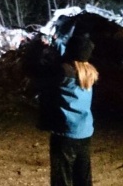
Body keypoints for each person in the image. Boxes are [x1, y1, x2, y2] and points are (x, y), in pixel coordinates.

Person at [38, 34, 99, 186]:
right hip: (84, 131)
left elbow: (42, 73)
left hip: (65, 132)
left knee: (62, 177)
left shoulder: (63, 71)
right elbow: (73, 53)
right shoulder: (89, 71)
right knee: (82, 175)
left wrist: (43, 48)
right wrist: (56, 41)